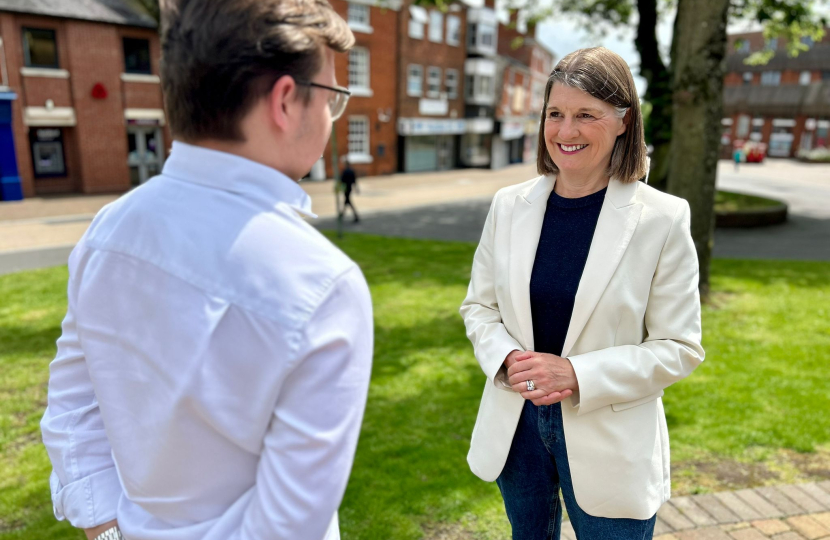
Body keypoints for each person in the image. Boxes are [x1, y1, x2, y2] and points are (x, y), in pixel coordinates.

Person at [39, 2, 371, 540]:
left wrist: (104, 529)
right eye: (333, 97)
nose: (332, 118)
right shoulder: (322, 282)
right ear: (286, 101)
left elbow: (72, 406)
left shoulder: (108, 230)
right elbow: (290, 525)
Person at [459, 47, 704, 540]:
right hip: (517, 426)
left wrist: (576, 373)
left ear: (622, 121)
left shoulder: (663, 217)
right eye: (555, 114)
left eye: (585, 115)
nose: (565, 131)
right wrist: (507, 358)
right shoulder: (509, 205)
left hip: (610, 437)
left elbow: (680, 348)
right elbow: (479, 308)